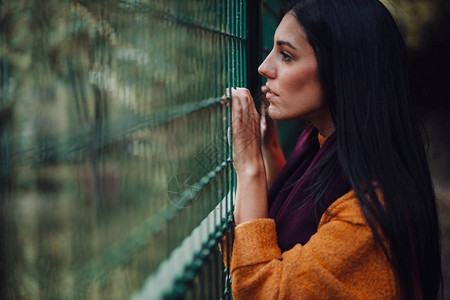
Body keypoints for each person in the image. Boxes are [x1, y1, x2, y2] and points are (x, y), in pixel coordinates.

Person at [226, 0, 442, 299]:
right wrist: (268, 147)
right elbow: (297, 213)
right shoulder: (324, 144)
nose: (264, 67)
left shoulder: (370, 212)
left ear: (341, 67)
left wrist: (249, 167)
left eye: (286, 56)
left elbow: (262, 290)